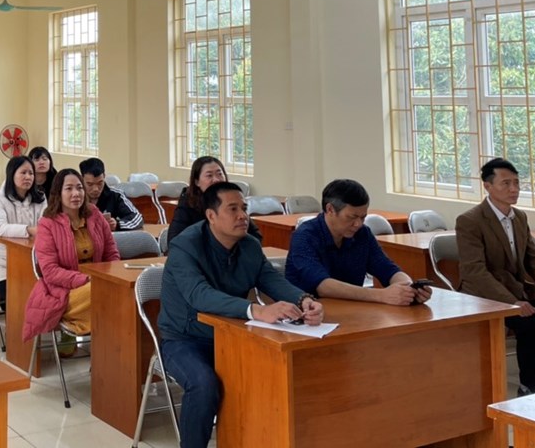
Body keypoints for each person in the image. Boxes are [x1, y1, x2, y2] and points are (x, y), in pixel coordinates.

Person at [160, 182, 323, 448]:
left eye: (244, 208)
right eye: (233, 209)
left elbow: (271, 280)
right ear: (211, 216)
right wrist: (257, 310)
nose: (242, 216)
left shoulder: (249, 246)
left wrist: (304, 300)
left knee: (277, 374)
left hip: (234, 335)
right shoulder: (185, 246)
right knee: (204, 384)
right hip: (185, 339)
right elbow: (199, 295)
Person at [457, 157, 535, 395]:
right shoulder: (470, 220)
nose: (514, 189)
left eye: (517, 183)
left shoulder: (519, 217)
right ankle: (529, 387)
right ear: (488, 186)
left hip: (519, 288)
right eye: (506, 183)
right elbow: (475, 271)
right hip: (485, 293)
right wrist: (512, 302)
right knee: (530, 325)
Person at [285, 178, 431, 305]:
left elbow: (387, 269)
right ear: (330, 210)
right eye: (352, 217)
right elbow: (323, 286)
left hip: (352, 309)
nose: (358, 224)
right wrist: (381, 295)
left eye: (363, 217)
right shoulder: (304, 236)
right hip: (308, 313)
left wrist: (408, 288)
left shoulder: (362, 233)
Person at [23, 169, 119, 341]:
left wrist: (112, 276)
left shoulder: (94, 214)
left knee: (120, 292)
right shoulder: (47, 224)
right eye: (69, 189)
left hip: (98, 282)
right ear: (58, 193)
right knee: (106, 294)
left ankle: (112, 348)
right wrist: (86, 279)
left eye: (79, 188)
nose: (76, 194)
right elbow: (50, 271)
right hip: (63, 290)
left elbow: (111, 253)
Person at [0, 155, 47, 309]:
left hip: (32, 262)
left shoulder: (40, 198)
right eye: (23, 173)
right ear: (12, 174)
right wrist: (29, 230)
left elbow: (45, 226)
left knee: (44, 298)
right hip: (1, 265)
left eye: (31, 173)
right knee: (18, 302)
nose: (28, 177)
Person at [166, 156, 263, 243]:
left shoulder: (233, 200)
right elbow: (175, 240)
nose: (216, 179)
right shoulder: (188, 203)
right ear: (197, 182)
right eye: (209, 175)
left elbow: (255, 236)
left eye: (220, 174)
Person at [79, 157, 143, 231]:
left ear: (104, 176)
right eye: (90, 184)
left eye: (100, 183)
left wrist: (117, 224)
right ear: (81, 179)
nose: (95, 189)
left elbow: (137, 218)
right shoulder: (76, 197)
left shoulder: (115, 195)